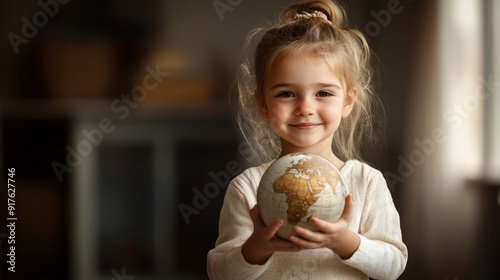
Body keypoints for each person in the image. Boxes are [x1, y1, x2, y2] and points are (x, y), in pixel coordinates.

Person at [207, 0, 408, 279]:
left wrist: (344, 241)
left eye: (324, 93)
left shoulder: (366, 182)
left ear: (347, 102)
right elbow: (220, 272)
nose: (305, 107)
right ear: (263, 104)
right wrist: (258, 246)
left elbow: (393, 266)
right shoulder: (248, 188)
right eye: (286, 93)